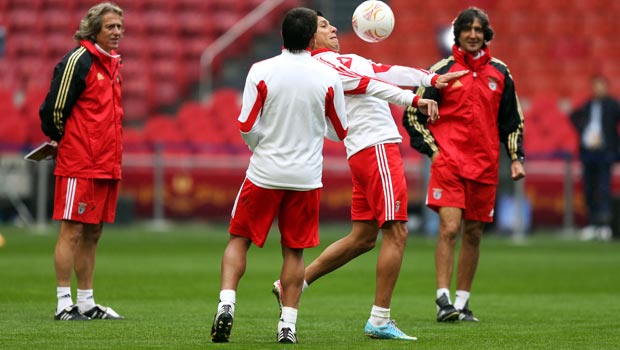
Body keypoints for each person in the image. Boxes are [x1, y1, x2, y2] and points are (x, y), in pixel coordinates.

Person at [271, 11, 467, 340]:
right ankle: (379, 319)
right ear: (309, 37)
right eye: (322, 26)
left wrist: (430, 79)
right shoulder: (322, 66)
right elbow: (371, 84)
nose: (333, 27)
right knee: (398, 230)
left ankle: (293, 283)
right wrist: (416, 99)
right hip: (375, 147)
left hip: (366, 151)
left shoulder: (343, 59)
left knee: (362, 238)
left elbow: (383, 71)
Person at [209, 7, 348, 344]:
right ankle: (288, 324)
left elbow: (245, 124)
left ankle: (226, 303)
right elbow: (340, 131)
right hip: (306, 177)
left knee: (239, 239)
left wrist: (261, 147)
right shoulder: (328, 77)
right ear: (312, 38)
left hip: (265, 172)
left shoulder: (261, 70)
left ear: (282, 35)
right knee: (294, 252)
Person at [402, 6, 525, 322]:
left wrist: (515, 158)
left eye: (479, 30)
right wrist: (435, 153)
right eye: (467, 29)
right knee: (450, 228)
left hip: (484, 166)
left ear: (486, 35)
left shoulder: (501, 73)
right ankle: (443, 300)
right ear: (457, 34)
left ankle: (463, 302)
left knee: (473, 234)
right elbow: (412, 115)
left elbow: (512, 121)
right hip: (450, 166)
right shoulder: (440, 71)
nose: (473, 35)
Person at [39, 2, 125, 321]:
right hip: (80, 163)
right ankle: (64, 304)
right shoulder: (79, 60)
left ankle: (87, 302)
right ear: (94, 30)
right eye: (110, 27)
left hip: (105, 163)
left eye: (119, 26)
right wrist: (67, 141)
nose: (117, 32)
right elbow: (53, 111)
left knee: (93, 232)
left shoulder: (113, 65)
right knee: (72, 230)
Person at [569, 75, 620, 241]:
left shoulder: (613, 105)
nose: (598, 89)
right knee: (589, 189)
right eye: (595, 86)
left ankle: (605, 225)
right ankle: (593, 223)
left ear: (606, 87)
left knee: (604, 189)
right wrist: (584, 132)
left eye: (601, 86)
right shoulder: (589, 105)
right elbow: (573, 116)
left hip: (605, 152)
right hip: (588, 153)